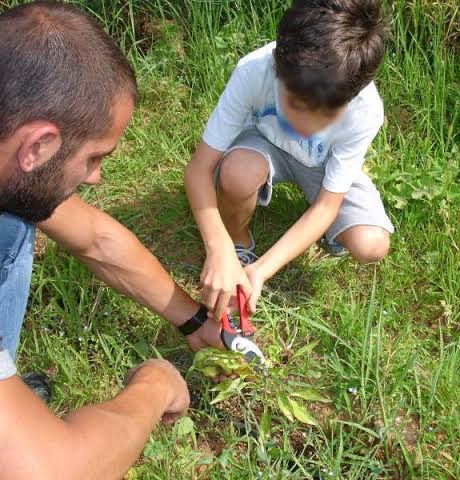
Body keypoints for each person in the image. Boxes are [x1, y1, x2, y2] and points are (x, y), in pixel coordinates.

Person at [0, 3, 220, 478]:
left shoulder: (11, 158)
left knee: (16, 217)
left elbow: (96, 237)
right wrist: (155, 385)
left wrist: (194, 320)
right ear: (37, 146)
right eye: (95, 157)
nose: (97, 178)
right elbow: (57, 473)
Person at [185, 0, 393, 316]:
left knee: (372, 244)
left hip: (321, 165)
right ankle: (237, 242)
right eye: (295, 103)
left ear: (353, 94)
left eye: (326, 114)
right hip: (263, 143)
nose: (305, 124)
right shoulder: (253, 71)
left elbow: (327, 205)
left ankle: (325, 233)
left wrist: (262, 271)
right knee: (236, 174)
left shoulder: (365, 111)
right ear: (276, 65)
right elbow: (198, 170)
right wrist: (219, 247)